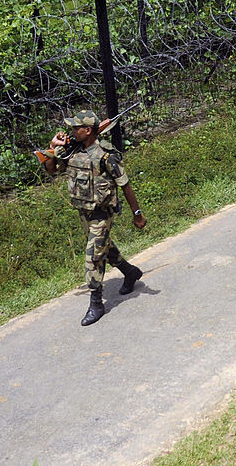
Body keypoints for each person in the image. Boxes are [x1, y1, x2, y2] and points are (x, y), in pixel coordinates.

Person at [41, 111, 146, 326]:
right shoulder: (71, 151)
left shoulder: (106, 155)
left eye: (75, 128)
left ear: (87, 130)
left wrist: (137, 213)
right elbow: (50, 171)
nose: (71, 131)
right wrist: (52, 149)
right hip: (84, 211)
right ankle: (130, 272)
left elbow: (124, 184)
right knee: (103, 248)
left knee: (94, 256)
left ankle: (96, 302)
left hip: (102, 212)